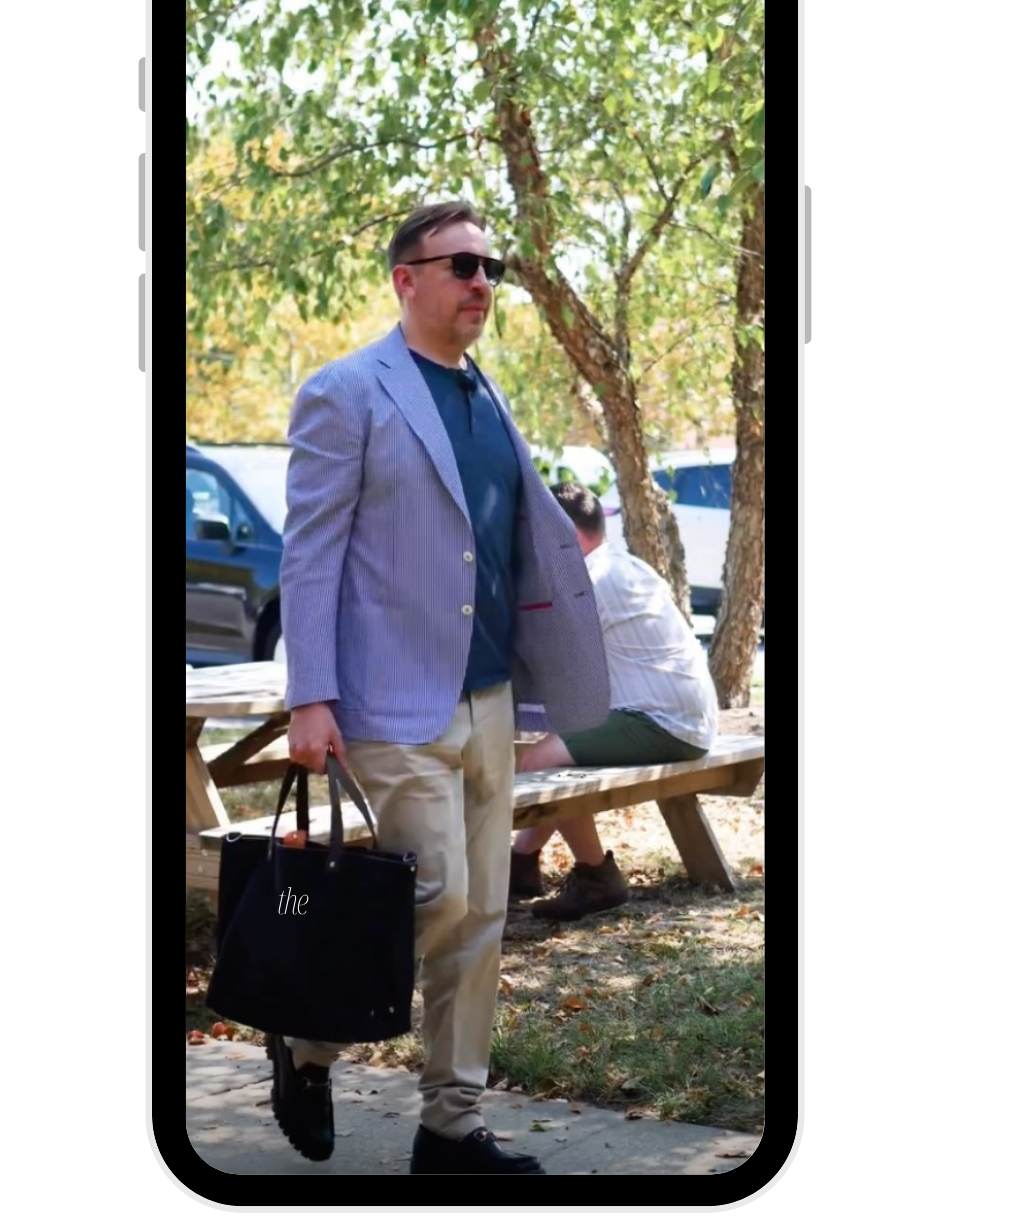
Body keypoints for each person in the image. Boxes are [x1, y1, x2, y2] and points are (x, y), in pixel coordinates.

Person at [275, 201, 611, 1176]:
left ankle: (451, 1129)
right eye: (461, 264)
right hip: (390, 702)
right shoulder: (348, 391)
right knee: (434, 897)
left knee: (483, 916)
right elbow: (310, 553)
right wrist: (310, 696)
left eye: (489, 268)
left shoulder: (486, 396)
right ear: (406, 279)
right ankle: (305, 1042)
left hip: (491, 697)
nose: (480, 282)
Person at [509, 482, 720, 922]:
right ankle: (521, 863)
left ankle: (596, 876)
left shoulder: (587, 583)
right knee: (557, 747)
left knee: (536, 761)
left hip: (660, 722)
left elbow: (544, 669)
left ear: (565, 534)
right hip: (686, 718)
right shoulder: (623, 566)